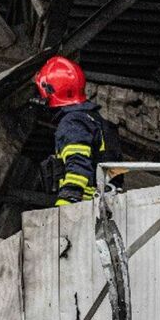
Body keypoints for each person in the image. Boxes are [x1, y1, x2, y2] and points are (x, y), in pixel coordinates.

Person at [34, 55, 119, 207]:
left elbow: (78, 163)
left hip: (85, 207)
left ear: (50, 91)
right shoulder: (97, 121)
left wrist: (66, 204)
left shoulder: (73, 122)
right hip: (105, 204)